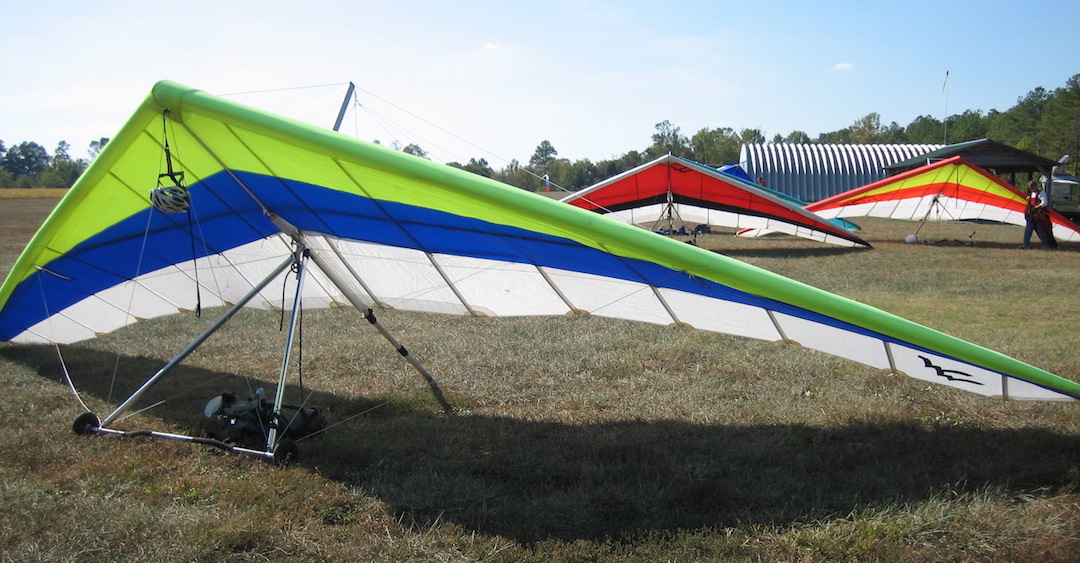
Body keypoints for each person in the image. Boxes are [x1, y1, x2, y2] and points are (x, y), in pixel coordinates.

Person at [1022, 180, 1056, 248]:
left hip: (1039, 216)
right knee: (1028, 230)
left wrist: (1035, 208)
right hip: (1032, 216)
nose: (1031, 189)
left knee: (1041, 231)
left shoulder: (1041, 193)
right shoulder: (1031, 194)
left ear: (1035, 186)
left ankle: (1046, 244)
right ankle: (1026, 244)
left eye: (1032, 187)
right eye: (1030, 188)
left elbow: (1044, 203)